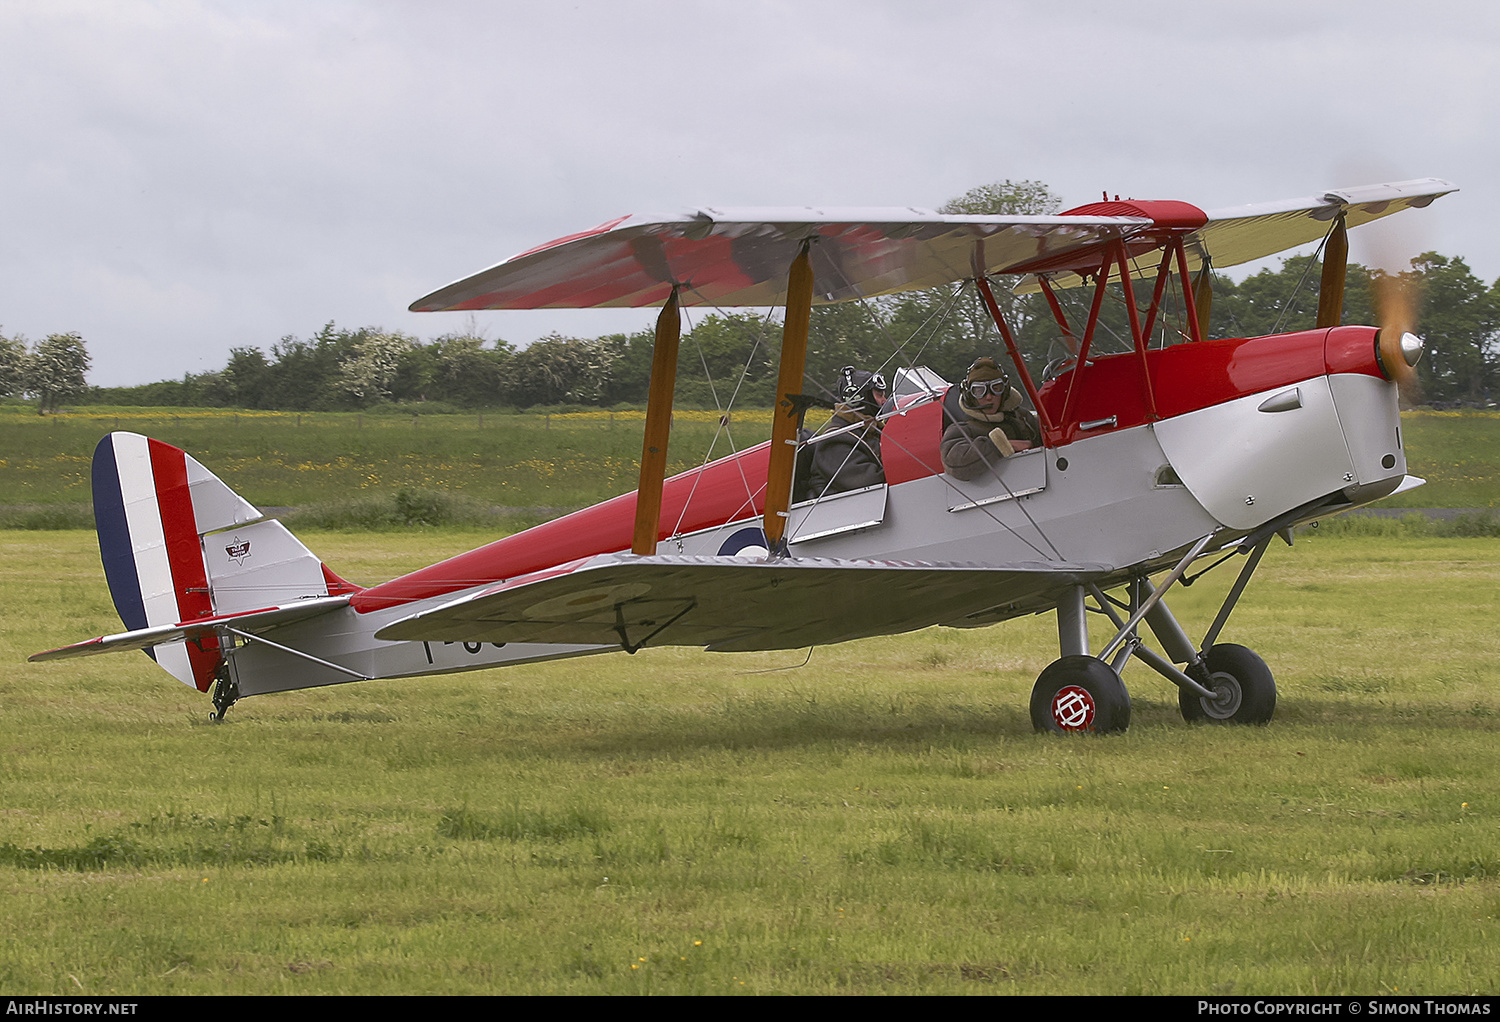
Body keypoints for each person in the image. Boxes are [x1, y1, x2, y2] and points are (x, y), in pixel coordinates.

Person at [940, 357, 1042, 481]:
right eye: (979, 390)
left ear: (1004, 390)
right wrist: (1000, 445)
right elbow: (954, 462)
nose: (989, 397)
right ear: (969, 395)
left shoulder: (1023, 417)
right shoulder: (962, 430)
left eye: (996, 388)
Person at [799, 366, 887, 499]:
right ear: (858, 397)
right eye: (879, 395)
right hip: (835, 514)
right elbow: (870, 481)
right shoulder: (835, 440)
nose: (884, 401)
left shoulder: (870, 430)